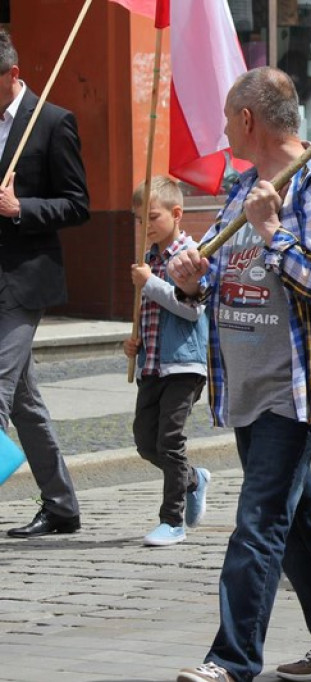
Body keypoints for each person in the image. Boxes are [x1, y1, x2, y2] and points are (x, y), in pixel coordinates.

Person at [170, 67, 311, 682]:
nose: (225, 128)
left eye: (229, 117)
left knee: (258, 523)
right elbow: (213, 266)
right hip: (248, 387)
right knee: (296, 521)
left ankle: (230, 660)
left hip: (294, 386)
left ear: (249, 120)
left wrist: (272, 232)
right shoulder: (243, 188)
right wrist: (190, 273)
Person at [0, 28, 89, 538]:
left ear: (12, 74)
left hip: (24, 281)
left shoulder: (53, 122)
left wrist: (21, 209)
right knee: (24, 402)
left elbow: (78, 204)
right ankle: (61, 505)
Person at [122, 176, 210, 547]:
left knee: (170, 440)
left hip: (183, 365)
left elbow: (191, 310)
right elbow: (150, 313)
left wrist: (151, 285)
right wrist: (134, 342)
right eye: (138, 220)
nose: (144, 227)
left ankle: (171, 521)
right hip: (153, 364)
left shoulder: (190, 254)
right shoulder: (148, 259)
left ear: (176, 214)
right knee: (146, 441)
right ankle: (193, 479)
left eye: (152, 218)